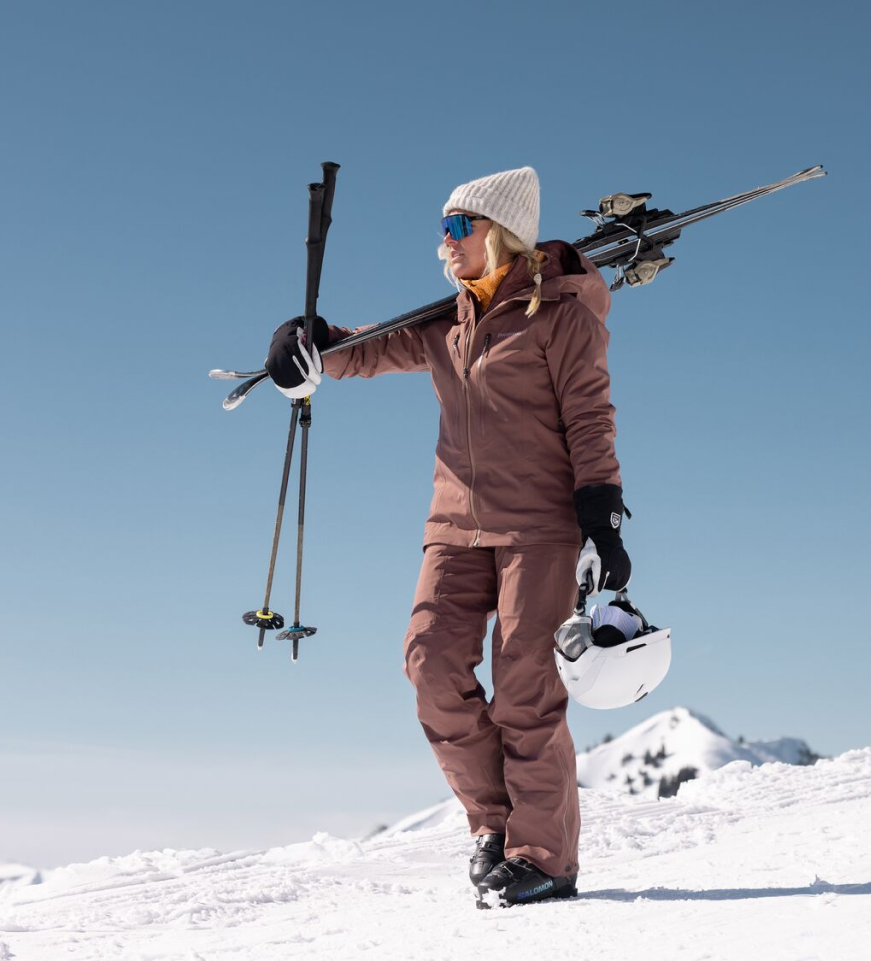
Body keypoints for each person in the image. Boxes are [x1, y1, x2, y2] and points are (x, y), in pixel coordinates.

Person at [264, 166, 632, 907]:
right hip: (454, 527)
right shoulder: (449, 322)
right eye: (443, 227)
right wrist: (311, 344)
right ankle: (494, 825)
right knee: (430, 666)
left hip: (540, 527)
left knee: (525, 687)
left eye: (460, 225)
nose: (445, 241)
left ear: (501, 232)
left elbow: (591, 418)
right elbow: (368, 350)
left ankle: (546, 856)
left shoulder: (559, 316)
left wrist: (603, 516)